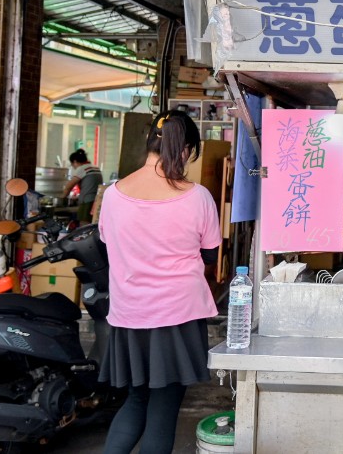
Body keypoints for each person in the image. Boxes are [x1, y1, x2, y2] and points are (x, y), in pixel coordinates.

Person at [98, 110, 221, 454]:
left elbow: (109, 244)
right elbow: (210, 256)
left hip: (128, 315)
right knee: (164, 409)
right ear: (184, 150)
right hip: (177, 316)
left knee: (136, 401)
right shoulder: (197, 197)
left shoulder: (112, 194)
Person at [61, 148, 104, 225]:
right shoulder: (95, 168)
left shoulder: (82, 169)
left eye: (72, 165)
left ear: (75, 162)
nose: (73, 167)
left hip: (87, 201)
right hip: (97, 200)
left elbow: (69, 186)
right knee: (93, 224)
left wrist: (62, 198)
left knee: (84, 225)